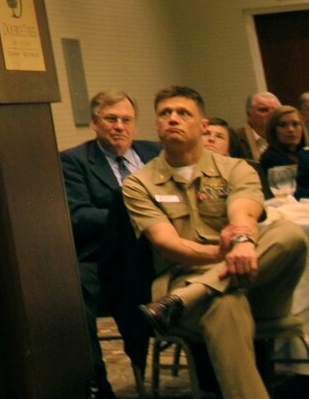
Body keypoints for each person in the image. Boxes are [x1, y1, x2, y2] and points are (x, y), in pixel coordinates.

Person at [125, 86, 307, 399]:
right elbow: (166, 243)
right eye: (165, 113)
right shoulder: (139, 183)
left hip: (254, 284)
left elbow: (244, 208)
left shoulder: (237, 168)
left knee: (291, 234)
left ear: (203, 125)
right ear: (156, 124)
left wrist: (243, 240)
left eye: (184, 113)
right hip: (181, 277)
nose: (173, 119)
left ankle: (193, 295)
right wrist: (228, 254)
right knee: (224, 303)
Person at [60, 91, 161, 399]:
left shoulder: (156, 153)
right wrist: (139, 217)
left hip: (161, 254)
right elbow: (79, 216)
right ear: (94, 123)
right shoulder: (74, 161)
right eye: (111, 119)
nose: (119, 126)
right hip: (103, 260)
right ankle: (97, 384)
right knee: (72, 289)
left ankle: (211, 381)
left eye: (126, 120)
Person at [258, 108, 306, 197]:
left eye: (295, 124)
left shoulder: (305, 154)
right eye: (283, 125)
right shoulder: (271, 158)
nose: (291, 129)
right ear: (273, 130)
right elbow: (289, 195)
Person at [237, 93, 281, 161]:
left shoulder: (289, 135)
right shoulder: (236, 139)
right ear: (249, 115)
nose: (271, 114)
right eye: (264, 110)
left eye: (276, 110)